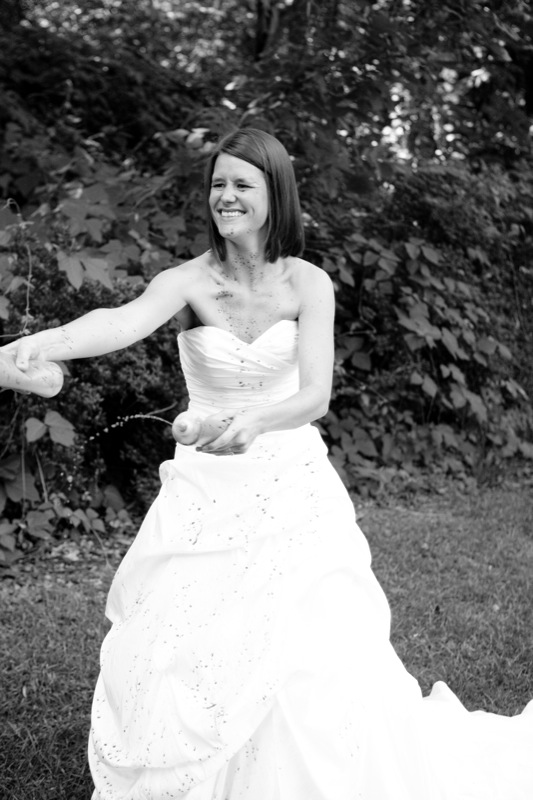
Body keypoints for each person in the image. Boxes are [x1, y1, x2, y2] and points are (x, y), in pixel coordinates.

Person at [1, 128, 532, 800]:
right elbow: (117, 321)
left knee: (307, 647)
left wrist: (254, 422)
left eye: (241, 184)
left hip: (289, 482)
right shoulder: (187, 280)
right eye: (218, 184)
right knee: (184, 636)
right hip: (205, 487)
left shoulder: (308, 283)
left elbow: (314, 396)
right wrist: (38, 344)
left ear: (274, 194)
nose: (225, 196)